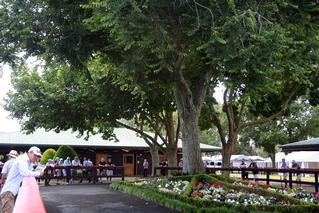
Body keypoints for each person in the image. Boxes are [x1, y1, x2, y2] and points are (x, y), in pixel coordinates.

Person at [0, 146, 44, 213]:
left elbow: (29, 176)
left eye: (38, 156)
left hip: (13, 191)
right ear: (30, 153)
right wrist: (38, 173)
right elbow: (24, 173)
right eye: (35, 155)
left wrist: (36, 185)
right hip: (9, 191)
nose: (37, 157)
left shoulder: (28, 162)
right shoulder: (22, 159)